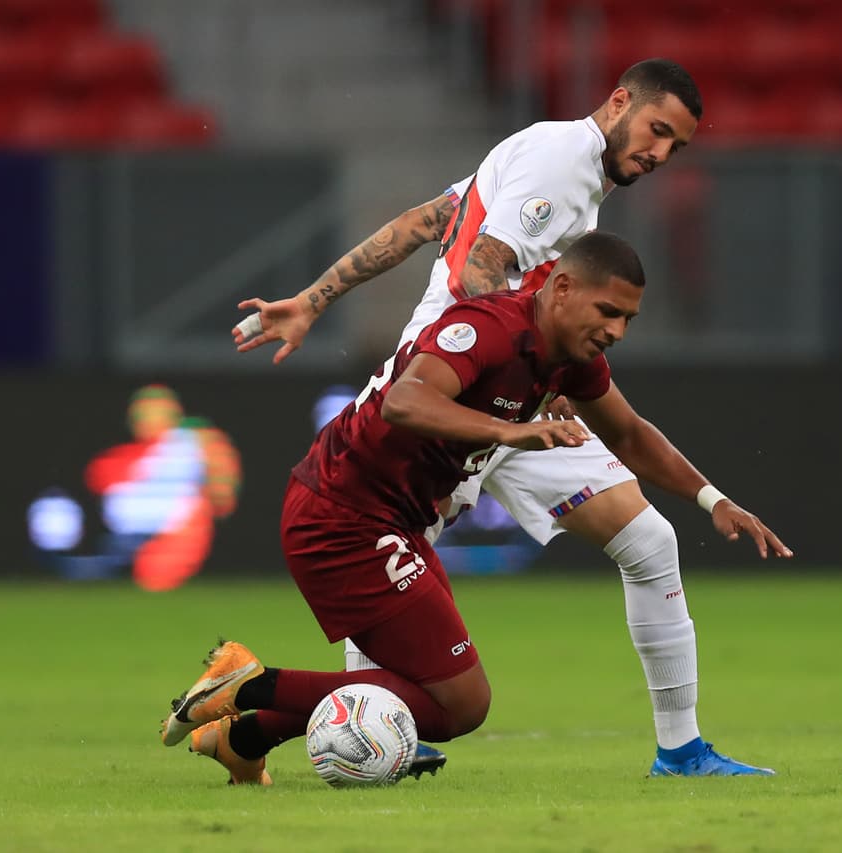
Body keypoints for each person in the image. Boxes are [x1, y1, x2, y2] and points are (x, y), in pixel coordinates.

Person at [229, 58, 770, 777]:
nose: (661, 154)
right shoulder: (561, 164)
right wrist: (516, 387)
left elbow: (427, 221)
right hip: (461, 384)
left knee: (648, 540)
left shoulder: (546, 159)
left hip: (516, 392)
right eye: (657, 130)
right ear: (618, 103)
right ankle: (373, 724)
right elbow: (480, 273)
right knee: (395, 538)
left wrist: (316, 296)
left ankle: (680, 749)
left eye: (677, 146)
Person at [161, 232, 791, 783]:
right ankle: (247, 683)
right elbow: (404, 402)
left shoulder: (568, 357)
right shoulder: (488, 329)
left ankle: (242, 739)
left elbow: (628, 434)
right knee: (460, 705)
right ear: (563, 288)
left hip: (390, 523)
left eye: (628, 320)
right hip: (343, 518)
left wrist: (713, 499)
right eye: (608, 312)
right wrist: (510, 431)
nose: (616, 332)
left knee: (422, 692)